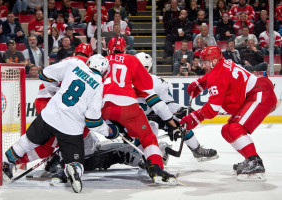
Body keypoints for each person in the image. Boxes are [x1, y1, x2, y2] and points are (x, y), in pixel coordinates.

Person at [2, 53, 112, 193]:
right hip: (71, 128)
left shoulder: (75, 64)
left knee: (25, 143)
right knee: (76, 160)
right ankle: (73, 168)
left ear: (89, 62)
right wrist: (108, 131)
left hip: (50, 115)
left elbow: (44, 75)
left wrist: (56, 89)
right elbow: (93, 120)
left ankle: (5, 163)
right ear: (104, 71)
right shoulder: (98, 85)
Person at [179, 46, 277, 181]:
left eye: (206, 62)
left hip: (260, 95)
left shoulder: (216, 75)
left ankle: (255, 162)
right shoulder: (222, 63)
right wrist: (200, 83)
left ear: (214, 61)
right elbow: (218, 75)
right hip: (257, 93)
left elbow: (213, 109)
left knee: (235, 128)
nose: (203, 65)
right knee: (227, 130)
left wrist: (194, 118)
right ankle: (249, 159)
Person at [102, 37, 179, 184]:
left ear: (107, 48)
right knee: (148, 136)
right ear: (125, 48)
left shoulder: (101, 60)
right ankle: (156, 167)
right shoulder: (131, 60)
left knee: (77, 130)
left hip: (102, 108)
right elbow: (149, 91)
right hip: (128, 107)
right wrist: (170, 120)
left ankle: (65, 163)